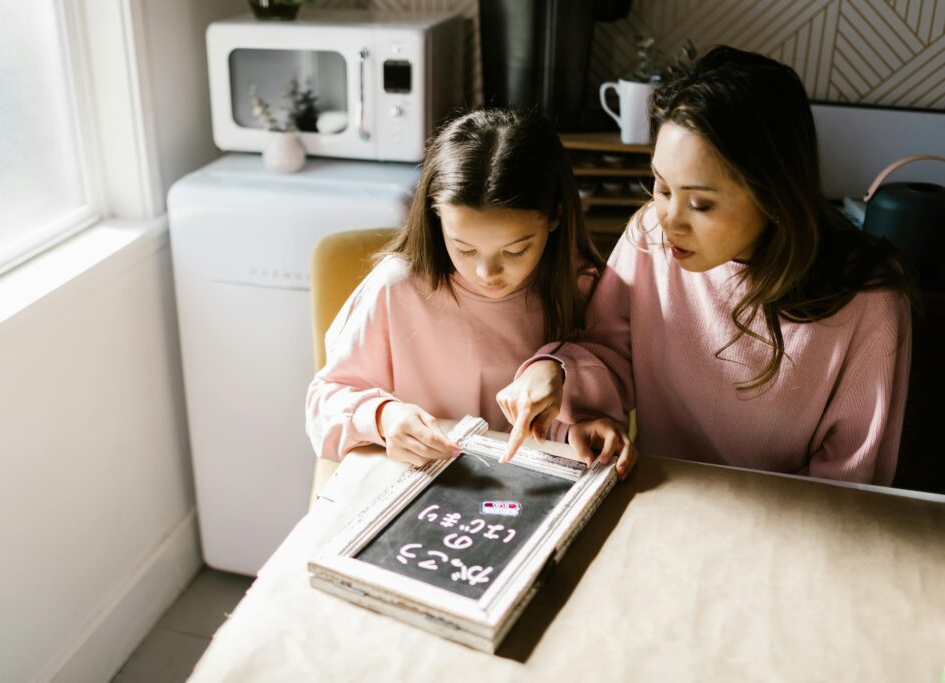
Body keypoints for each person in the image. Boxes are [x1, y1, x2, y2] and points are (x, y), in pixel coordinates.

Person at [498, 46, 917, 485]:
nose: (669, 220)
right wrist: (555, 371)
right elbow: (608, 352)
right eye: (661, 187)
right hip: (667, 496)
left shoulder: (868, 295)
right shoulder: (650, 237)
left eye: (700, 203)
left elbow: (852, 471)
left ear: (774, 195)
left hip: (793, 522)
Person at [306, 108, 633, 470]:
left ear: (555, 217)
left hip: (533, 481)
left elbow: (600, 391)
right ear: (435, 218)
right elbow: (325, 403)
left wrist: (576, 430)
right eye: (464, 248)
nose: (486, 272)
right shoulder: (396, 287)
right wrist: (384, 418)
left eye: (515, 250)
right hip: (421, 479)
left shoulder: (579, 285)